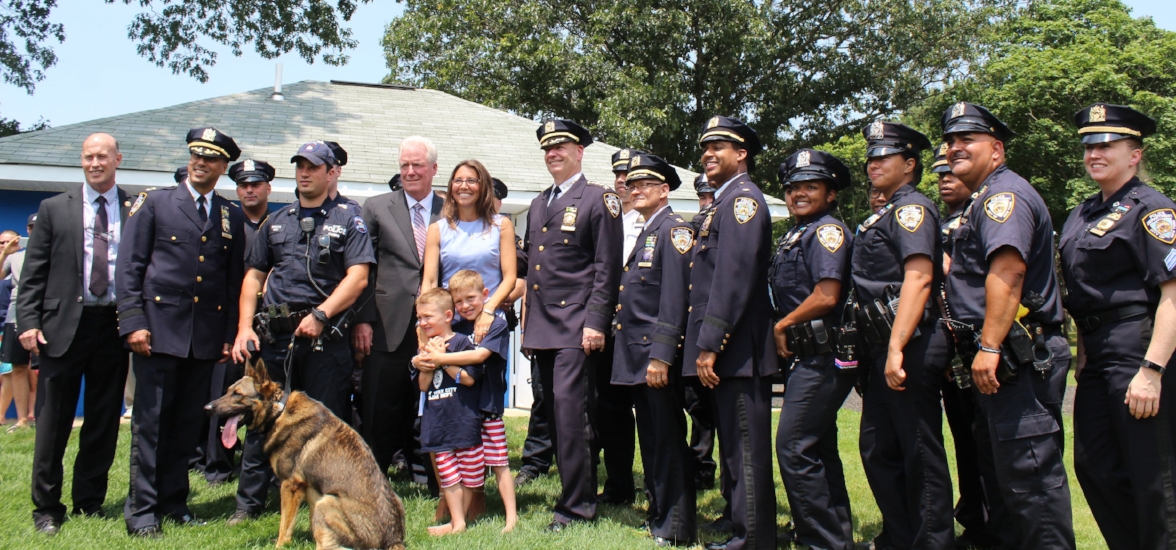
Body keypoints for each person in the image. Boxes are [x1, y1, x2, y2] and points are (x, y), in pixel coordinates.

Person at [941, 102, 1074, 549]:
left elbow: (1008, 273)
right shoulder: (983, 197)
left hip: (1016, 358)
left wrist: (992, 345)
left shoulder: (1004, 197)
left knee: (1031, 479)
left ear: (996, 149)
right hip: (1001, 359)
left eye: (967, 140)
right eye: (951, 141)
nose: (955, 148)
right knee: (1005, 480)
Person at [229, 141, 374, 522]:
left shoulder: (348, 219)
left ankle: (329, 502)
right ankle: (248, 504)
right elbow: (254, 276)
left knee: (327, 426)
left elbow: (358, 277)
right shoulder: (276, 221)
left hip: (324, 341)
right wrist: (245, 326)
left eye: (313, 166)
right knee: (262, 420)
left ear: (331, 172)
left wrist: (322, 315)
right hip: (276, 340)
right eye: (300, 166)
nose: (305, 173)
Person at [118, 127, 247, 537]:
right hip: (157, 333)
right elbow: (130, 268)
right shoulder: (154, 202)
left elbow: (232, 280)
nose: (201, 163)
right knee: (151, 424)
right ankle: (142, 511)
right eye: (196, 155)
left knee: (186, 426)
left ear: (223, 166)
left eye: (210, 158)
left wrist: (228, 335)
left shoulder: (230, 214)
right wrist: (133, 322)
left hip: (204, 340)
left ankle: (174, 501)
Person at [1062, 103, 1175, 550]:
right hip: (1096, 352)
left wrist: (1152, 370)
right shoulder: (1082, 213)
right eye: (1089, 144)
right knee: (1095, 465)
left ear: (1135, 154)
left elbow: (1172, 295)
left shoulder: (1154, 209)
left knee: (1153, 474)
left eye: (1107, 144)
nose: (1095, 152)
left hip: (1138, 347)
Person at [19, 133, 132, 536]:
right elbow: (33, 273)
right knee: (53, 423)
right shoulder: (54, 208)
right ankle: (47, 508)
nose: (95, 163)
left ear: (118, 159)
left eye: (103, 156)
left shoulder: (135, 208)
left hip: (114, 326)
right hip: (61, 327)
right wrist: (28, 322)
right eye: (88, 157)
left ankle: (89, 501)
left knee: (102, 420)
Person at [852, 121, 952, 550]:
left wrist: (895, 347)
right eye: (871, 157)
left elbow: (920, 279)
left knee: (919, 451)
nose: (874, 164)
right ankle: (899, 534)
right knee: (877, 447)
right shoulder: (886, 211)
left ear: (909, 165)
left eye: (884, 157)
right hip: (882, 346)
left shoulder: (912, 209)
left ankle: (932, 541)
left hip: (909, 344)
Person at [521, 119, 623, 531]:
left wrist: (595, 322)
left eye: (561, 146)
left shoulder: (600, 199)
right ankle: (574, 492)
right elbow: (534, 265)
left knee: (572, 416)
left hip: (576, 325)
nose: (553, 153)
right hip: (543, 326)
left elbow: (607, 267)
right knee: (556, 415)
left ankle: (577, 507)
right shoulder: (539, 203)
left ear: (580, 151)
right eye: (548, 148)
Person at [684, 115, 776, 550]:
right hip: (727, 349)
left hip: (737, 350)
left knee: (746, 450)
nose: (708, 154)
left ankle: (753, 538)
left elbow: (732, 279)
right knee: (734, 450)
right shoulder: (723, 203)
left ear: (741, 154)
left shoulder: (744, 202)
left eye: (719, 147)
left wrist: (710, 343)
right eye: (706, 147)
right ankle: (740, 522)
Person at [770, 149, 855, 550]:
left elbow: (827, 294)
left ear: (831, 194)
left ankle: (818, 540)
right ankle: (834, 534)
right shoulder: (796, 233)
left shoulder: (826, 231)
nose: (799, 194)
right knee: (818, 446)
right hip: (805, 355)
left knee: (793, 445)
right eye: (793, 188)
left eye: (811, 187)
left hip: (824, 355)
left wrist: (784, 324)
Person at [611, 153, 696, 546]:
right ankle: (659, 514)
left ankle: (675, 526)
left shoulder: (673, 230)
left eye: (646, 185)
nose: (635, 189)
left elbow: (675, 299)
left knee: (666, 441)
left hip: (655, 357)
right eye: (633, 184)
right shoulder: (649, 229)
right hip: (638, 356)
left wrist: (661, 356)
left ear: (665, 191)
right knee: (652, 438)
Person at [353, 136, 445, 483]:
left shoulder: (450, 208)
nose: (409, 171)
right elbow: (363, 268)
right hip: (386, 325)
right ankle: (370, 478)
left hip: (436, 327)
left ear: (433, 169)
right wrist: (363, 320)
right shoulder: (376, 207)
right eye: (404, 165)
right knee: (379, 405)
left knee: (432, 401)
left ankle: (430, 475)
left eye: (417, 165)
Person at [191, 159, 277, 487]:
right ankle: (217, 466)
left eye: (256, 184)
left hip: (269, 326)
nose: (249, 190)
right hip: (230, 326)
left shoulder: (280, 221)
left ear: (268, 187)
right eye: (243, 185)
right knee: (225, 394)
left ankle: (264, 466)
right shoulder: (225, 223)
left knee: (263, 396)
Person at [933, 143, 996, 547]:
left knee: (987, 438)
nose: (945, 181)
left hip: (982, 344)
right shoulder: (942, 224)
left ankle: (992, 522)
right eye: (940, 175)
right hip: (952, 348)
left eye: (952, 173)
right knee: (964, 438)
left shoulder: (983, 216)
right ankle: (974, 516)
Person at [432, 269, 518, 532]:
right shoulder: (456, 327)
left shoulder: (497, 324)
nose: (465, 306)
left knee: (499, 463)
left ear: (485, 295)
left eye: (471, 298)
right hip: (463, 407)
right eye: (458, 302)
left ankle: (511, 518)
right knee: (463, 462)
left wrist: (441, 359)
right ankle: (459, 515)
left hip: (488, 404)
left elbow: (480, 356)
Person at [421, 159, 518, 339]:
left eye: (472, 181)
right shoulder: (437, 229)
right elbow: (430, 282)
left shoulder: (501, 225)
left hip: (489, 323)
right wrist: (425, 321)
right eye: (458, 181)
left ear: (484, 187)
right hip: (449, 325)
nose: (463, 186)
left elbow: (510, 277)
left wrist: (488, 311)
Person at [686, 172, 719, 495]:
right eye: (702, 198)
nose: (706, 204)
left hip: (719, 327)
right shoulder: (693, 226)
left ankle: (705, 466)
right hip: (694, 327)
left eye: (711, 197)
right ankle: (699, 465)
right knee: (697, 406)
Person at [1, 220, 34, 433]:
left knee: (48, 370)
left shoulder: (55, 251)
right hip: (16, 316)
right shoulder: (13, 257)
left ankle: (48, 417)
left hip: (49, 315)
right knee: (18, 368)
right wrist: (6, 253)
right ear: (27, 230)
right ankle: (22, 419)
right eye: (32, 227)